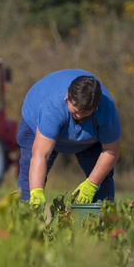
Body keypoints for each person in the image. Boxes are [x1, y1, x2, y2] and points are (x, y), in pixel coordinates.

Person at [16, 69, 122, 209]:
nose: (78, 116)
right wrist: (36, 192)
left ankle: (102, 222)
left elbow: (110, 151)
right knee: (29, 172)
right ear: (67, 96)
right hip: (37, 126)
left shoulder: (106, 109)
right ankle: (26, 220)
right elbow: (40, 154)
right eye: (75, 109)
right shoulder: (53, 106)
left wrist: (92, 184)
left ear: (95, 107)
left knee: (102, 178)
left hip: (90, 141)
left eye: (85, 113)